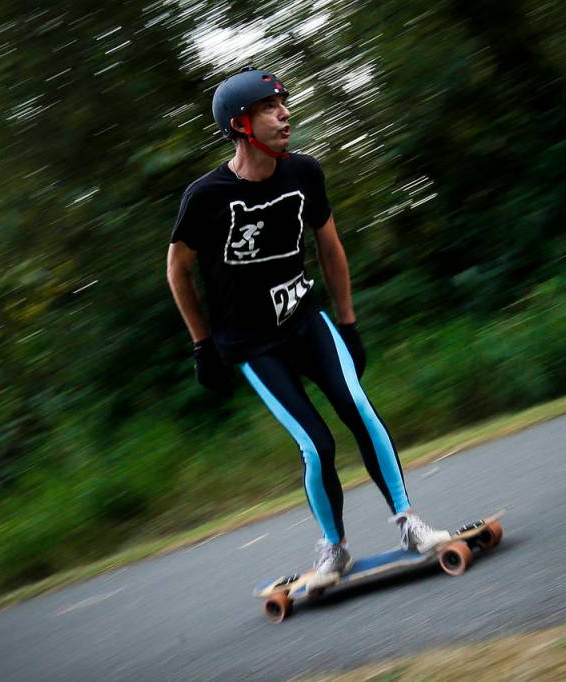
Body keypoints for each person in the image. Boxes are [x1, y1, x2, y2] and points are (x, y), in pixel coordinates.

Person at [166, 67, 449, 589]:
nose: (285, 114)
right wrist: (201, 344)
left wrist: (349, 322)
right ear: (240, 124)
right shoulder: (206, 196)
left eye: (285, 104)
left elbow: (330, 248)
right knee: (316, 443)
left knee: (358, 408)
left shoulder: (305, 173)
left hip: (306, 320)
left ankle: (409, 522)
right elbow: (177, 269)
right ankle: (333, 550)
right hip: (252, 344)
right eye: (271, 108)